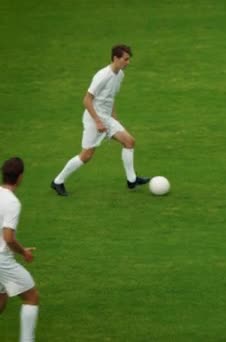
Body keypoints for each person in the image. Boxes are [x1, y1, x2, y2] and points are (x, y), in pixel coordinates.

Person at [50, 44, 149, 196]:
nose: (128, 62)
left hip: (107, 117)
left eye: (129, 59)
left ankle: (132, 180)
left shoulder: (120, 74)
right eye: (125, 59)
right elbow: (87, 100)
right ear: (115, 58)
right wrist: (97, 121)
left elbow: (111, 97)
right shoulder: (102, 76)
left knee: (129, 142)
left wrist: (114, 117)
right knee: (86, 156)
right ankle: (58, 181)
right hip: (93, 118)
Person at [0, 157, 39, 341]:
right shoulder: (12, 203)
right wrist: (23, 251)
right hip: (2, 261)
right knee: (31, 296)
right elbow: (8, 238)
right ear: (20, 177)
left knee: (0, 298)